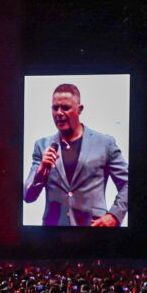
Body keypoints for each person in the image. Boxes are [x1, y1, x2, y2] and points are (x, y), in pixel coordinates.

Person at [23, 83, 128, 226]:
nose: (59, 113)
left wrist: (114, 216)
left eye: (65, 107)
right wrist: (40, 172)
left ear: (79, 109)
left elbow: (129, 183)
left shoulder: (105, 143)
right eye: (55, 108)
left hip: (93, 231)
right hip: (53, 235)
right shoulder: (42, 146)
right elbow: (28, 197)